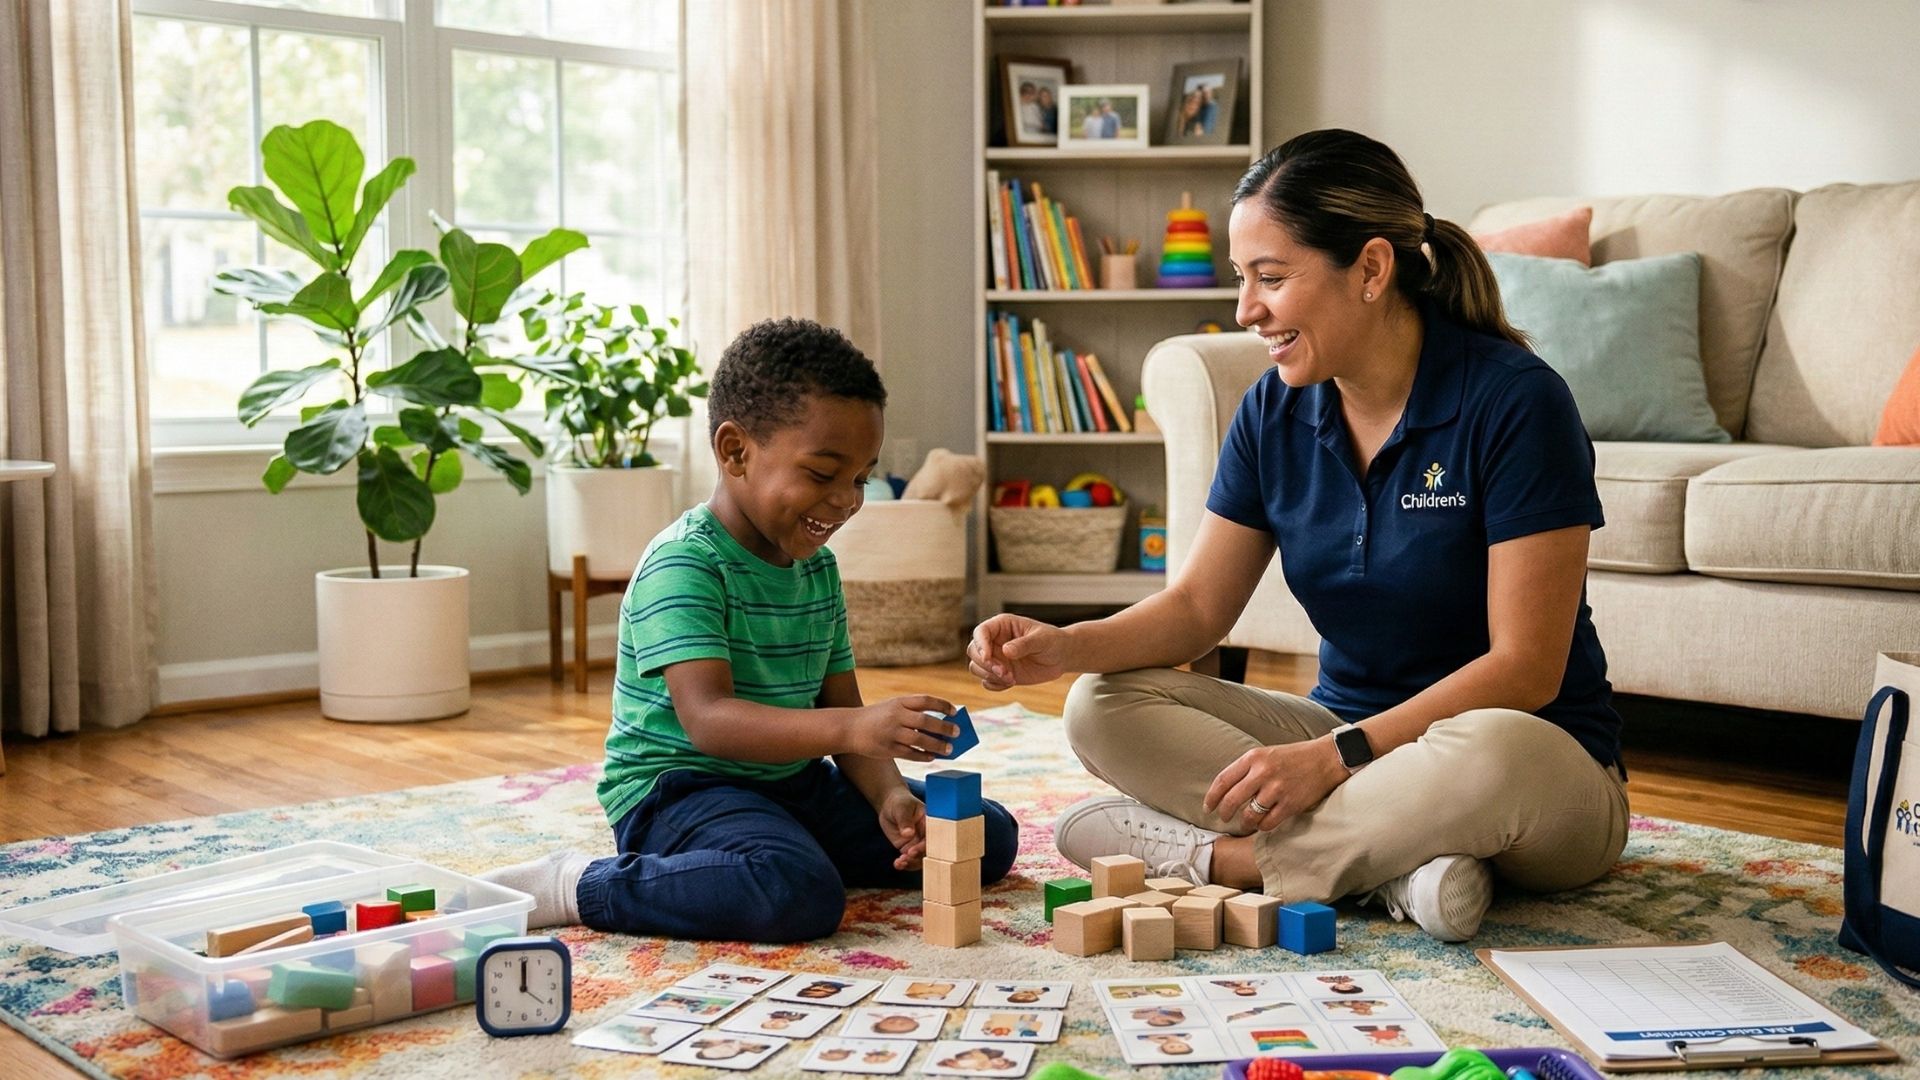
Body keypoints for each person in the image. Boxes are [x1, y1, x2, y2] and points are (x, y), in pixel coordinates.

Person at [967, 128, 1629, 942]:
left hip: (1536, 769)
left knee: (1491, 746)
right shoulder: (1274, 410)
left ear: (1373, 270)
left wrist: (1339, 758)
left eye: (1271, 279)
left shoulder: (1516, 403)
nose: (1247, 312)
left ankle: (1223, 863)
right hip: (1347, 744)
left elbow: (1526, 670)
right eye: (1245, 281)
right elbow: (1199, 609)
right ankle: (1400, 871)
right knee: (1101, 702)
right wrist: (1067, 645)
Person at [485, 317, 1019, 940]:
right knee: (794, 892)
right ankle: (578, 884)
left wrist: (891, 799)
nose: (847, 500)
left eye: (860, 479)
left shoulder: (816, 570)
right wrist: (855, 726)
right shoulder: (684, 562)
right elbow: (709, 722)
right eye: (823, 474)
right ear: (735, 451)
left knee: (986, 833)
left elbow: (842, 717)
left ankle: (759, 860)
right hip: (681, 791)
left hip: (790, 779)